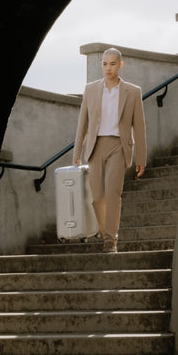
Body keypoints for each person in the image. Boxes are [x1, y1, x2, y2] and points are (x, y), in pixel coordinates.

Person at [72, 48, 148, 253]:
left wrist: (141, 157)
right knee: (97, 197)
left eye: (113, 64)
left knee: (112, 193)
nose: (108, 68)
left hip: (118, 147)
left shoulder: (132, 92)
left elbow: (139, 127)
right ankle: (106, 232)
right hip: (96, 147)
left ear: (120, 65)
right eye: (105, 64)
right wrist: (77, 153)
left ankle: (110, 240)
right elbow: (83, 123)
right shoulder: (91, 89)